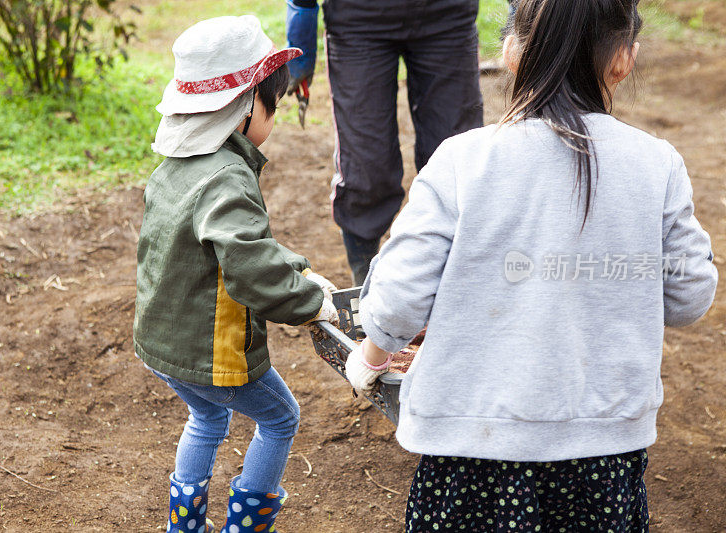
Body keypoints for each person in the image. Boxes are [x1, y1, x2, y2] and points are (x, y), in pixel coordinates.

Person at [344, 0, 719, 530]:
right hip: (605, 455)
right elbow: (689, 298)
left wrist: (374, 355)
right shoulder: (657, 164)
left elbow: (398, 299)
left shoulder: (462, 160)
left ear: (511, 52)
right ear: (623, 59)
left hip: (472, 453)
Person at [134, 16, 339, 533]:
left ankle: (185, 525)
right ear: (246, 105)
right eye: (274, 104)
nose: (277, 116)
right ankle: (248, 525)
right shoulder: (228, 178)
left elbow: (244, 249)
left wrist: (300, 271)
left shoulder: (175, 167)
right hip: (210, 351)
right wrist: (311, 303)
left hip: (160, 344)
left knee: (206, 417)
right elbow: (250, 270)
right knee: (280, 418)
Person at [285, 0, 484, 285]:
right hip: (359, 19)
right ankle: (365, 281)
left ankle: (454, 280)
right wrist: (301, 26)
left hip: (447, 16)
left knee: (457, 162)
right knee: (366, 167)